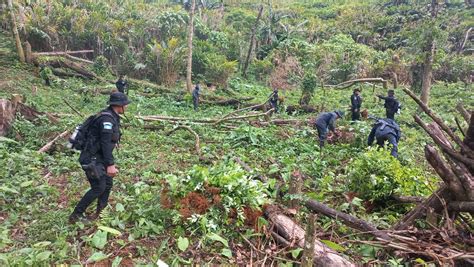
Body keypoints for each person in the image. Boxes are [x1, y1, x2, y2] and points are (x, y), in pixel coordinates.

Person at [69, 92, 131, 224]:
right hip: (91, 158)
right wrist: (111, 164)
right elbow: (105, 143)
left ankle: (101, 212)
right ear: (119, 105)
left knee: (107, 184)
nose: (126, 107)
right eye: (125, 104)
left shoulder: (111, 116)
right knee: (99, 187)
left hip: (99, 157)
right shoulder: (106, 120)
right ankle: (76, 215)